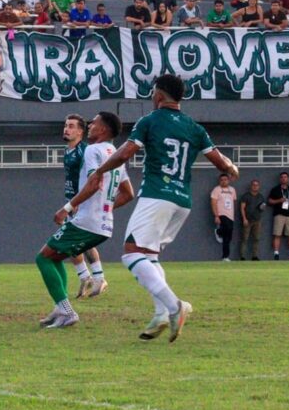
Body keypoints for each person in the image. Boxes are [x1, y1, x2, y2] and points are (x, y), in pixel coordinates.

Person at [80, 73, 238, 342]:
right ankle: (160, 313)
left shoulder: (150, 121)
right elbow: (224, 165)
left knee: (131, 255)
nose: (152, 96)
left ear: (160, 94)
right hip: (182, 201)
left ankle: (175, 305)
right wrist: (232, 168)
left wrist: (100, 171)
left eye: (153, 91)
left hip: (157, 194)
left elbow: (125, 153)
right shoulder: (195, 128)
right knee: (149, 257)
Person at [38, 112, 134, 328]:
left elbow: (93, 184)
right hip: (103, 225)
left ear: (104, 130)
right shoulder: (115, 154)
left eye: (95, 122)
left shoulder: (92, 150)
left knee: (43, 258)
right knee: (53, 257)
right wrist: (105, 209)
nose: (91, 125)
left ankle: (67, 312)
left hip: (86, 221)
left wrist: (67, 208)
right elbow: (128, 194)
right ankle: (61, 307)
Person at [60, 115, 111, 298]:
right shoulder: (69, 151)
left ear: (81, 131)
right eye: (66, 126)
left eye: (71, 126)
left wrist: (79, 202)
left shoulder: (84, 151)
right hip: (71, 200)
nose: (67, 129)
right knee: (73, 243)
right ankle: (88, 277)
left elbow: (92, 177)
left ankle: (96, 277)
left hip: (80, 202)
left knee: (76, 240)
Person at [268, 171, 289, 259]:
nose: (284, 178)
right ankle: (276, 254)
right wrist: (279, 201)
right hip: (279, 214)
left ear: (288, 179)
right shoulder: (275, 189)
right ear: (280, 179)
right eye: (282, 177)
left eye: (285, 177)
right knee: (277, 234)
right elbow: (269, 201)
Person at [210, 173, 237, 261]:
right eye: (222, 180)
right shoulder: (216, 190)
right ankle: (218, 231)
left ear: (228, 180)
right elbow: (213, 203)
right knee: (227, 231)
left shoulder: (232, 190)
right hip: (222, 214)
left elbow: (233, 201)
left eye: (225, 179)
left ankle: (225, 256)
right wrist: (216, 215)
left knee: (229, 236)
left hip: (230, 215)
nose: (224, 181)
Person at [239, 179, 266, 260]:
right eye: (253, 185)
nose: (255, 187)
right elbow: (242, 208)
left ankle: (254, 256)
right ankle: (242, 256)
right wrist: (244, 219)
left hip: (257, 220)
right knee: (245, 238)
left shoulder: (261, 196)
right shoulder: (246, 196)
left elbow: (263, 207)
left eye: (256, 185)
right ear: (251, 186)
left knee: (256, 238)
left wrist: (262, 207)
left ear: (259, 186)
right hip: (247, 220)